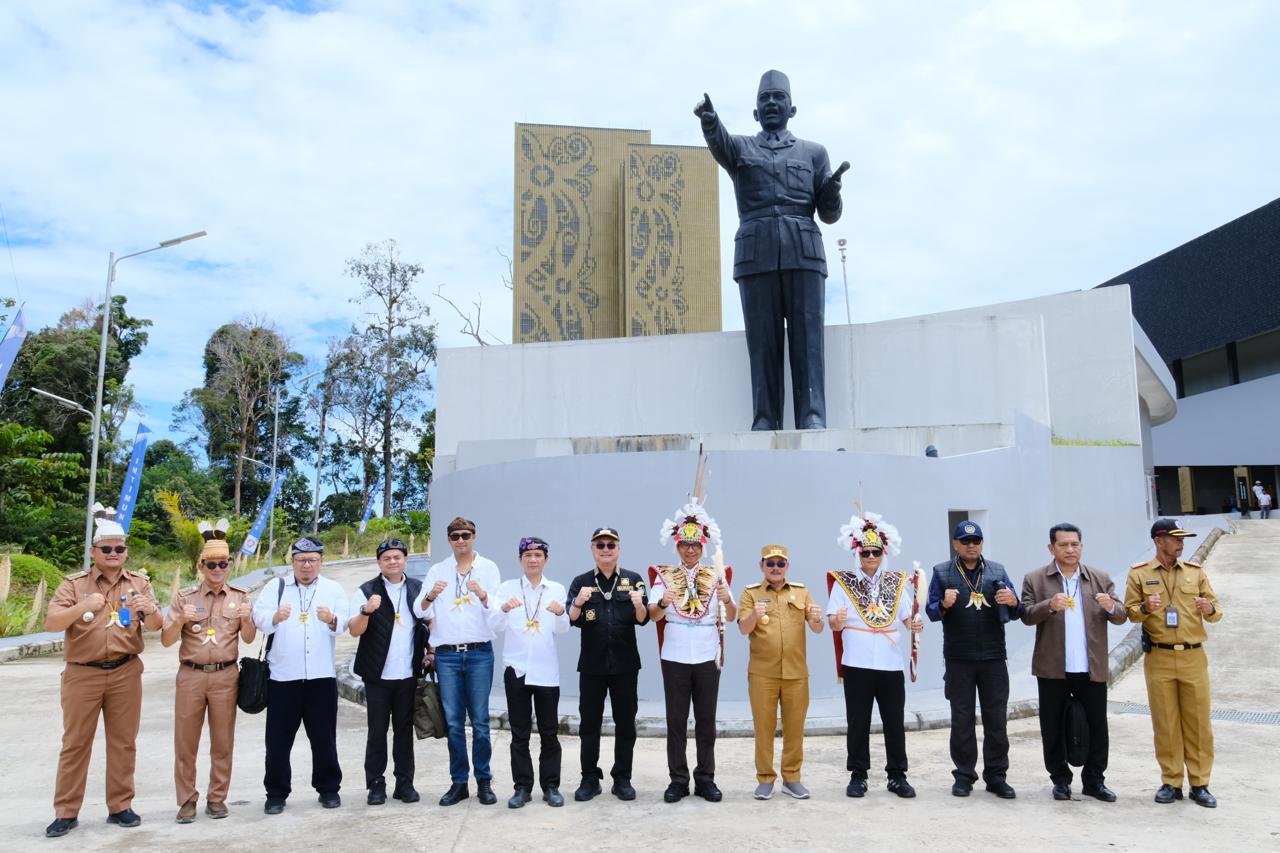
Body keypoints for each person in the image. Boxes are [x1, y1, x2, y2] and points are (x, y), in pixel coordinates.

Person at [694, 70, 846, 430]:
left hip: (803, 252)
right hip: (756, 254)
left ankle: (812, 415)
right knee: (762, 344)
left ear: (792, 109)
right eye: (765, 99)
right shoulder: (741, 149)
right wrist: (711, 122)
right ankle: (765, 417)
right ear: (755, 112)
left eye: (779, 98)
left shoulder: (814, 153)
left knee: (808, 341)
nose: (772, 103)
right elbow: (721, 144)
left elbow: (829, 215)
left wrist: (831, 193)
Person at [43, 506, 163, 838]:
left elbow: (157, 626)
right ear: (93, 551)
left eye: (119, 548)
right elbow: (51, 623)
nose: (113, 553)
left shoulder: (139, 583)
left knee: (123, 742)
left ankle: (120, 806)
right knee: (75, 743)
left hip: (125, 671)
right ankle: (66, 812)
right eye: (106, 548)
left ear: (126, 551)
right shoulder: (74, 585)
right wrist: (83, 606)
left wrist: (149, 609)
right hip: (83, 673)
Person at [1020, 523, 1128, 802]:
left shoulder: (1100, 578)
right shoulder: (1035, 579)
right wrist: (1049, 605)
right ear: (1051, 548)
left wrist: (1111, 606)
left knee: (1097, 726)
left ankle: (1094, 781)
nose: (1070, 549)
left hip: (1091, 666)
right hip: (1052, 667)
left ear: (1081, 546)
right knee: (1052, 726)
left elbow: (1121, 615)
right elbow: (1026, 615)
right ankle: (1060, 780)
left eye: (1075, 544)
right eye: (1063, 545)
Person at [161, 518, 256, 823]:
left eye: (223, 564)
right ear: (201, 567)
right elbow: (166, 640)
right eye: (211, 564)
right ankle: (187, 800)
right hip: (191, 675)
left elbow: (249, 638)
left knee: (223, 741)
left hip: (225, 676)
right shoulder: (185, 598)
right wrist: (180, 619)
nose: (217, 569)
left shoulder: (240, 596)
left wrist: (247, 619)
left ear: (230, 565)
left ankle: (217, 798)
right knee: (185, 742)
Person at [1124, 518, 1223, 808]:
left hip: (1193, 656)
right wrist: (1145, 607)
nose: (1181, 543)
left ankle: (1200, 784)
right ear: (1159, 541)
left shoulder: (1195, 572)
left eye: (1182, 539)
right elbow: (1130, 612)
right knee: (1165, 722)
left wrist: (1209, 608)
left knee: (1198, 722)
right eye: (1175, 538)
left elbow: (1216, 611)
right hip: (1160, 656)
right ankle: (1171, 781)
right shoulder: (1140, 574)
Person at [827, 512, 924, 799]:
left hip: (890, 663)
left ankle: (897, 775)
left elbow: (907, 619)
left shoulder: (896, 582)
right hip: (857, 662)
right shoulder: (844, 583)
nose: (871, 557)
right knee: (858, 722)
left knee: (894, 721)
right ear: (857, 553)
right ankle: (858, 775)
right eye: (865, 552)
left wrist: (915, 624)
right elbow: (833, 622)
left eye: (876, 552)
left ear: (883, 553)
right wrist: (837, 620)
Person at [252, 536, 350, 814]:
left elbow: (345, 622)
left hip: (321, 676)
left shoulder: (333, 589)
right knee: (278, 741)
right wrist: (275, 617)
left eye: (312, 560)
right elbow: (258, 618)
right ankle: (276, 793)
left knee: (323, 739)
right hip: (283, 677)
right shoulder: (276, 587)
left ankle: (328, 789)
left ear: (321, 562)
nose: (306, 565)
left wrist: (332, 619)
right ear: (292, 561)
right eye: (301, 560)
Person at [925, 520, 1021, 799]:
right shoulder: (942, 572)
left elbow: (1017, 611)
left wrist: (1013, 601)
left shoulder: (997, 571)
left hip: (993, 657)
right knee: (962, 719)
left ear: (981, 543)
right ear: (955, 544)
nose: (971, 545)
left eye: (975, 541)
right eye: (965, 541)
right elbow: (931, 612)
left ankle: (996, 777)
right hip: (959, 658)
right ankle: (964, 775)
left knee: (997, 720)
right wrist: (943, 604)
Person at [650, 499, 736, 803]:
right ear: (677, 546)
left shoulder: (716, 575)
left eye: (696, 545)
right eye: (685, 544)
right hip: (675, 655)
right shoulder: (664, 576)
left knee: (706, 721)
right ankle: (678, 779)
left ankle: (705, 779)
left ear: (703, 546)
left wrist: (726, 598)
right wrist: (663, 601)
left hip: (706, 654)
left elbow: (732, 615)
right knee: (676, 721)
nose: (690, 550)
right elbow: (653, 616)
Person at [412, 516, 502, 806]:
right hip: (448, 655)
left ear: (474, 537)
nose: (461, 540)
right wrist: (430, 596)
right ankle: (459, 782)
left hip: (479, 652)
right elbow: (419, 610)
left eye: (465, 535)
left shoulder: (488, 568)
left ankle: (484, 781)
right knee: (453, 722)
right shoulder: (438, 570)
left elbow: (498, 611)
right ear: (449, 540)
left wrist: (483, 595)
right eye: (455, 536)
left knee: (480, 722)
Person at [566, 526, 649, 801]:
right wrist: (578, 602)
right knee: (589, 725)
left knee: (626, 724)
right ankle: (589, 778)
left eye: (610, 545)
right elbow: (572, 618)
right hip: (592, 666)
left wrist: (639, 605)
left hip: (625, 665)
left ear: (618, 549)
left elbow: (643, 619)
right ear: (592, 549)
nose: (605, 550)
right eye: (600, 545)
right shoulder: (581, 582)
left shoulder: (633, 580)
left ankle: (622, 778)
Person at [488, 536, 570, 808]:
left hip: (546, 670)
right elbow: (495, 625)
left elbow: (563, 629)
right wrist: (503, 608)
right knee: (519, 733)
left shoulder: (556, 589)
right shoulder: (507, 588)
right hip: (517, 670)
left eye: (538, 555)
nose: (533, 560)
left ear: (546, 559)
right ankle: (522, 787)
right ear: (520, 559)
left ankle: (551, 786)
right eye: (528, 555)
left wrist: (560, 613)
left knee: (549, 732)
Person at [738, 544, 824, 800]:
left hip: (796, 673)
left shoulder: (801, 592)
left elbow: (817, 628)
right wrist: (754, 615)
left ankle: (792, 778)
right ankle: (765, 779)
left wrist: (817, 618)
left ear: (787, 566)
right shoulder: (750, 593)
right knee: (763, 728)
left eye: (780, 563)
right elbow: (743, 628)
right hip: (762, 673)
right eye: (770, 563)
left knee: (795, 728)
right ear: (761, 566)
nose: (775, 568)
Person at [348, 538, 429, 806]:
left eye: (397, 557)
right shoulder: (366, 590)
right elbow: (355, 630)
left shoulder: (417, 588)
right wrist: (366, 611)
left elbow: (429, 622)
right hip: (377, 675)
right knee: (377, 731)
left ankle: (405, 783)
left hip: (408, 673)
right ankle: (376, 784)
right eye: (387, 558)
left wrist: (430, 652)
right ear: (379, 562)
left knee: (404, 732)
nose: (392, 562)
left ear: (405, 560)